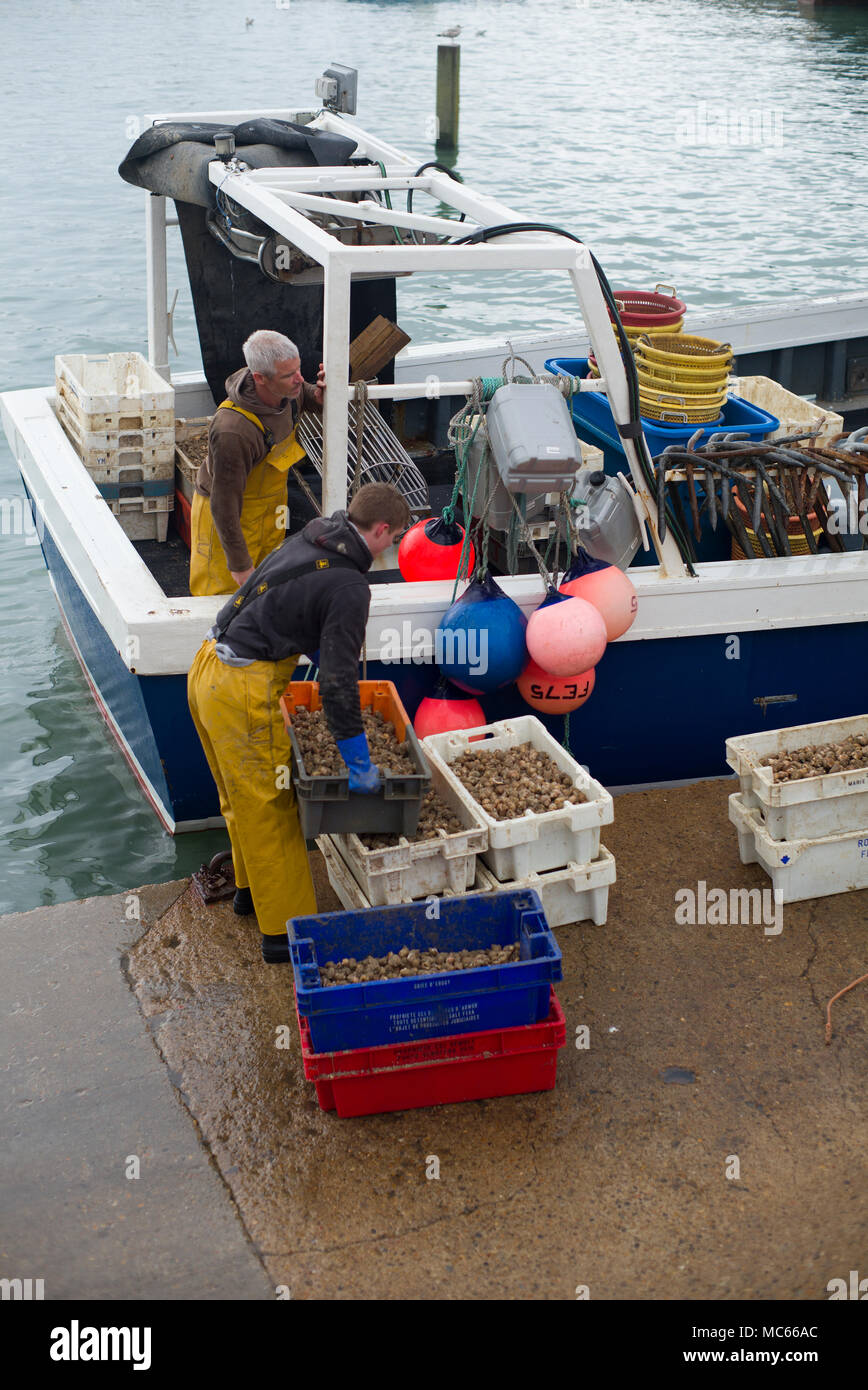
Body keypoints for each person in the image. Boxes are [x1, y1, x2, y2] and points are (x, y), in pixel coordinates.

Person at [187, 482, 412, 963]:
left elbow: (297, 609)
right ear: (381, 530)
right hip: (240, 689)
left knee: (239, 800)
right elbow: (335, 684)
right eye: (391, 540)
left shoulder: (313, 536)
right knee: (272, 811)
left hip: (205, 668)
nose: (389, 550)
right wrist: (358, 761)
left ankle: (249, 897)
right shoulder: (351, 585)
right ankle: (287, 938)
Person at [189, 329, 325, 596]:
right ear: (260, 378)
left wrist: (317, 395)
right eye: (289, 375)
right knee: (225, 602)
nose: (299, 379)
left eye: (299, 370)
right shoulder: (234, 429)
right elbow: (223, 503)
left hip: (270, 511)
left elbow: (304, 393)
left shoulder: (287, 389)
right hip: (229, 519)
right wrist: (239, 566)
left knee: (266, 592)